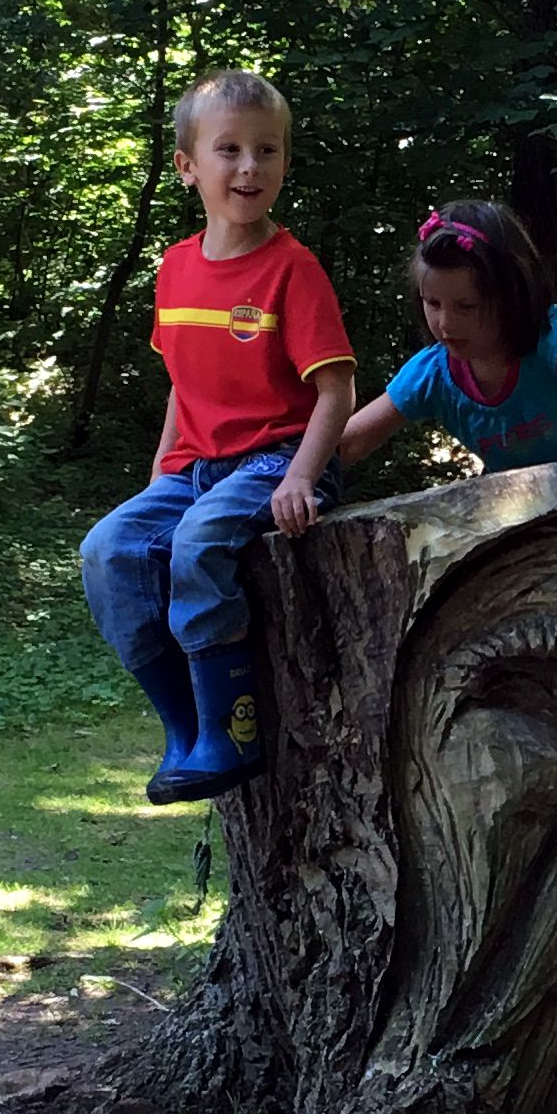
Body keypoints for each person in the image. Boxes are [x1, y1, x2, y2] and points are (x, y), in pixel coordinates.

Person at [79, 70, 355, 805]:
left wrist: (301, 476)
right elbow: (183, 382)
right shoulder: (175, 268)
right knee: (108, 551)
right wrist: (158, 475)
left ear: (284, 163)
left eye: (267, 151)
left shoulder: (292, 270)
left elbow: (336, 389)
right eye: (227, 149)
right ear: (187, 165)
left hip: (277, 459)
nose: (248, 167)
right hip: (196, 466)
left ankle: (233, 733)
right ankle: (186, 732)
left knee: (201, 542)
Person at [339, 200, 557, 475]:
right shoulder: (432, 373)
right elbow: (349, 443)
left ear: (511, 296)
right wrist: (296, 474)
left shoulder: (548, 334)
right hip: (544, 514)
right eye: (432, 303)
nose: (445, 324)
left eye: (466, 306)